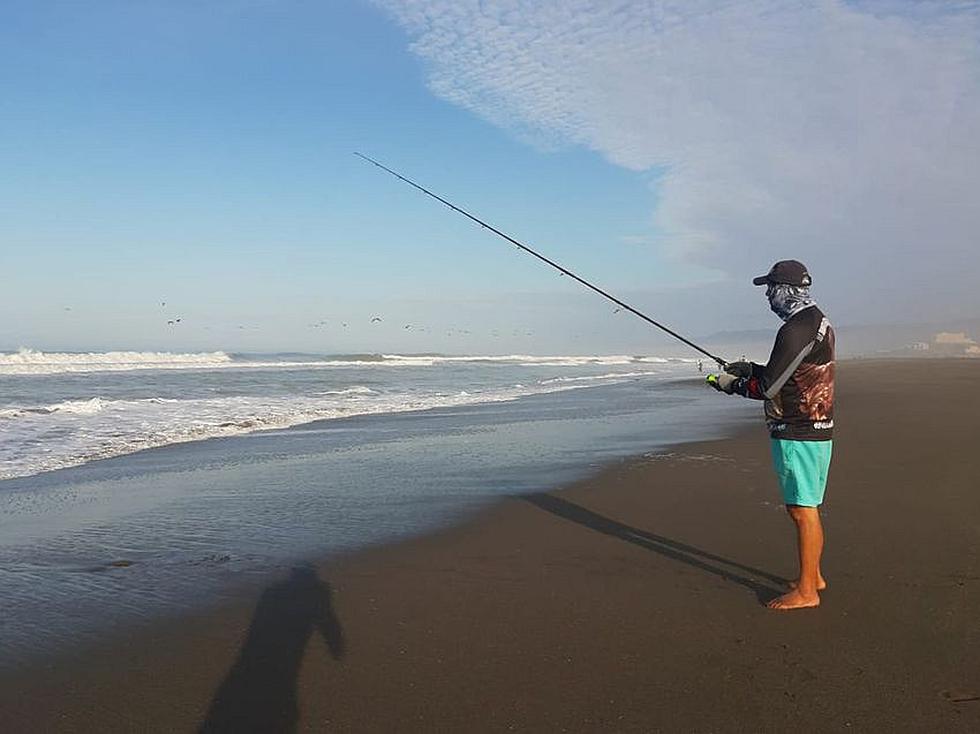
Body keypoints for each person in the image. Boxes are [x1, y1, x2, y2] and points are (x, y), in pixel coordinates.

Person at [707, 260, 834, 610]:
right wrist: (750, 369)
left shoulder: (796, 328)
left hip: (798, 429)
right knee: (806, 506)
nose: (767, 296)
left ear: (786, 289)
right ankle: (814, 576)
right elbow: (786, 374)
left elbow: (768, 388)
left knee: (801, 509)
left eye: (770, 289)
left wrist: (731, 385)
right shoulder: (815, 321)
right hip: (815, 425)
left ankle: (808, 592)